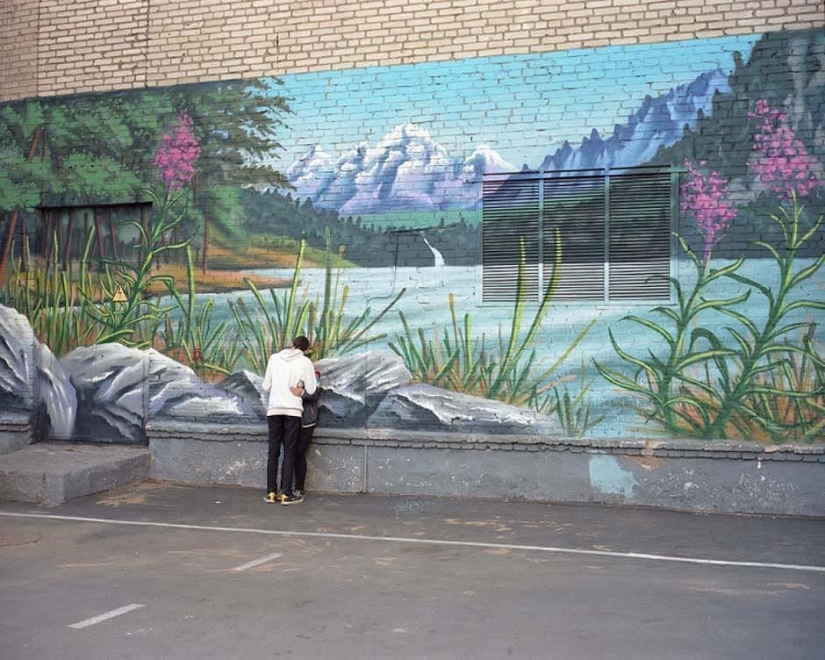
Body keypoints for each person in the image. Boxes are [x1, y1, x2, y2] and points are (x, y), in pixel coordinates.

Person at [261, 336, 317, 505]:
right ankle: (286, 493)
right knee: (290, 451)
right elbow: (312, 389)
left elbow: (265, 386)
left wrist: (278, 386)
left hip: (274, 409)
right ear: (305, 349)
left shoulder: (274, 358)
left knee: (273, 451)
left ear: (291, 345)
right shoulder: (305, 362)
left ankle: (271, 492)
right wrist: (299, 387)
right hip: (293, 411)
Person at [290, 368, 321, 500]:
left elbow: (315, 394)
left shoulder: (313, 374)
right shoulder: (288, 372)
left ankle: (299, 487)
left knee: (299, 452)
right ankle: (287, 487)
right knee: (290, 452)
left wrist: (301, 392)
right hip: (290, 417)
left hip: (306, 420)